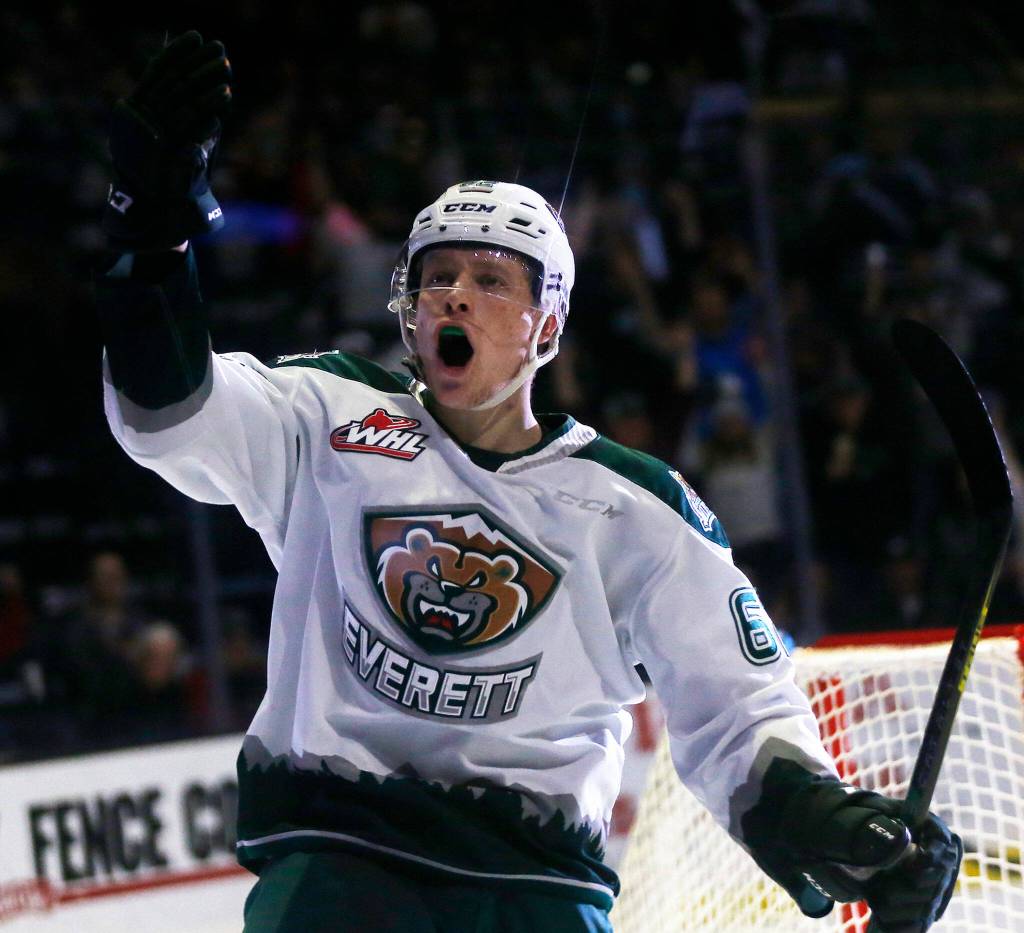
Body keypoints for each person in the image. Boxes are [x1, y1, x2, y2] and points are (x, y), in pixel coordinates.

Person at [93, 31, 961, 933]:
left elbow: (738, 710)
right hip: (340, 865)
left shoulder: (636, 510)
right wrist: (150, 239)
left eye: (489, 279)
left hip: (534, 892)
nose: (454, 296)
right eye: (437, 277)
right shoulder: (326, 412)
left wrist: (829, 823)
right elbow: (169, 416)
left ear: (547, 328)